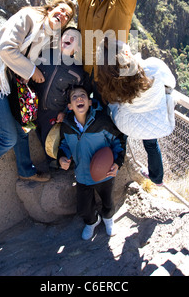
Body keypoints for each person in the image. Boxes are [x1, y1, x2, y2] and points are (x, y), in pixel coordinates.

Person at [0, 0, 76, 193]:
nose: (62, 15)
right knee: (7, 138)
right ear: (51, 8)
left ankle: (26, 170)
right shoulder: (28, 17)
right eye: (61, 10)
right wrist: (31, 70)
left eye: (67, 16)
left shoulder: (48, 35)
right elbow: (6, 48)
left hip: (11, 85)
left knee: (21, 128)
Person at [96, 38, 176, 186]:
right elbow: (171, 83)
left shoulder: (111, 82)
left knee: (121, 137)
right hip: (154, 123)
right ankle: (157, 179)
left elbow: (113, 104)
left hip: (127, 124)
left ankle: (115, 165)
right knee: (151, 145)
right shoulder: (153, 66)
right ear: (126, 52)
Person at [58, 85, 126, 240]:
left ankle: (108, 219)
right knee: (84, 208)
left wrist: (117, 162)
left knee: (107, 201)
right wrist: (62, 157)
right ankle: (92, 222)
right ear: (70, 106)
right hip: (82, 175)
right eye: (74, 97)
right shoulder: (67, 126)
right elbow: (64, 145)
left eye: (82, 95)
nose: (79, 98)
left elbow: (118, 140)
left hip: (105, 173)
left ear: (89, 102)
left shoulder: (101, 121)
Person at [33, 27, 91, 164]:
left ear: (77, 48)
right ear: (60, 40)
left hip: (53, 111)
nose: (69, 38)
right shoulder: (45, 54)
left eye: (74, 38)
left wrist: (65, 111)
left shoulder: (77, 71)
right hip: (33, 105)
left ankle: (56, 164)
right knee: (31, 133)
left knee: (48, 140)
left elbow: (74, 95)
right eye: (67, 35)